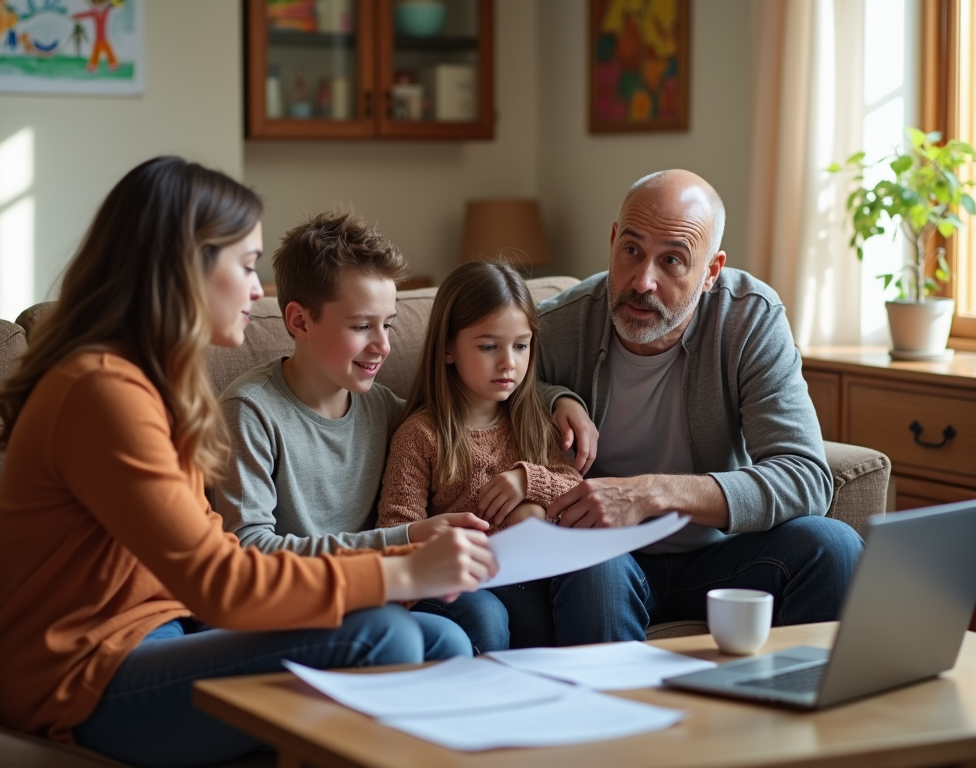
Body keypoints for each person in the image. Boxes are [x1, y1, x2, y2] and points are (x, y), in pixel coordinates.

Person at [0, 157, 496, 768]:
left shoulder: (158, 382)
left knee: (444, 638)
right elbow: (221, 583)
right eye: (245, 265)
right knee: (385, 635)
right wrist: (403, 572)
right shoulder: (102, 389)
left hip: (163, 631)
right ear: (184, 269)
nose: (257, 289)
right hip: (76, 673)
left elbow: (214, 557)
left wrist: (413, 555)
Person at [534, 168, 864, 643]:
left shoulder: (749, 318)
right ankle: (618, 716)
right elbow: (480, 398)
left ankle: (797, 709)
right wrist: (554, 397)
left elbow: (807, 477)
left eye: (672, 260)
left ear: (711, 271)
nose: (643, 281)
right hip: (609, 555)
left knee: (832, 546)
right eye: (631, 251)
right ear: (611, 242)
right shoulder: (560, 326)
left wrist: (650, 493)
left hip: (724, 555)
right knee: (594, 568)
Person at [216, 209, 489, 650]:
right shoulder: (250, 410)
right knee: (448, 641)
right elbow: (249, 551)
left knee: (474, 620)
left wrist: (556, 401)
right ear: (299, 321)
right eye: (362, 326)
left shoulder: (383, 408)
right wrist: (405, 538)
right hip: (286, 608)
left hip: (369, 599)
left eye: (389, 324)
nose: (382, 345)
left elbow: (476, 414)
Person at [377, 261, 583, 652]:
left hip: (532, 575)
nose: (508, 362)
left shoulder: (533, 422)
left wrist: (530, 482)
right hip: (460, 583)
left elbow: (575, 490)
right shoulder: (420, 435)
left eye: (521, 346)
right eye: (489, 347)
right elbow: (399, 527)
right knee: (487, 615)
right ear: (449, 349)